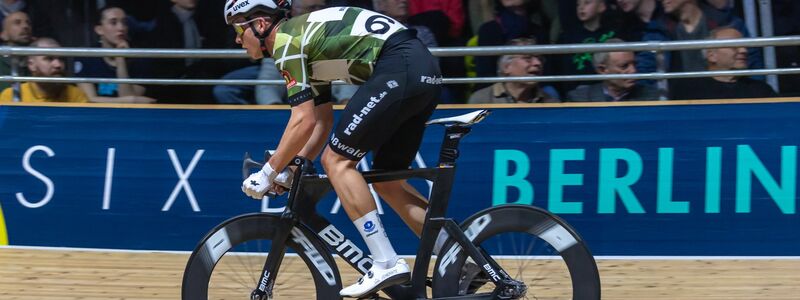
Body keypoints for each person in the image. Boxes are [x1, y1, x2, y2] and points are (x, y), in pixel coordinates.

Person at [227, 1, 441, 297]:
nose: (237, 39)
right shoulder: (305, 41)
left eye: (239, 29)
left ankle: (386, 262)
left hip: (399, 66)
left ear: (260, 25)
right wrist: (295, 166)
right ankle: (458, 258)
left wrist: (268, 170)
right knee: (386, 180)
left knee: (337, 162)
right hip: (420, 69)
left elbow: (301, 120)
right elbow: (321, 120)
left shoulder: (286, 43)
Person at [669, 27, 777, 100]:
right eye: (734, 45)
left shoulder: (761, 91)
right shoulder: (687, 90)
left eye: (744, 45)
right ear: (712, 55)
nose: (744, 50)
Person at [74, 6, 155, 103]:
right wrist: (131, 100)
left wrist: (120, 59)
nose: (121, 28)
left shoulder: (140, 58)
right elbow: (90, 100)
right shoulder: (86, 56)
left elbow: (130, 105)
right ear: (99, 29)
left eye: (124, 23)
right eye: (113, 23)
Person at [555, 0, 619, 95]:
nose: (581, 7)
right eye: (578, 4)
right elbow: (563, 68)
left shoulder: (612, 33)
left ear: (601, 6)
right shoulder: (569, 36)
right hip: (577, 89)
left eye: (587, 2)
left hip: (607, 87)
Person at [469, 38, 559, 104]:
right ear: (506, 67)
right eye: (528, 58)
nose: (538, 63)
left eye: (540, 59)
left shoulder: (550, 101)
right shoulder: (482, 99)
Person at [566, 39, 659, 102]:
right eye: (624, 66)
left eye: (634, 64)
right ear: (602, 70)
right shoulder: (580, 99)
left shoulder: (650, 97)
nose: (633, 70)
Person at [0, 38, 88, 103]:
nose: (58, 65)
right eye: (49, 58)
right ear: (31, 65)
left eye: (61, 59)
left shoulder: (76, 94)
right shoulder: (11, 96)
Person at [0, 11, 32, 91]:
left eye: (28, 23)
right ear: (3, 34)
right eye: (17, 23)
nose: (25, 26)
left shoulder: (38, 60)